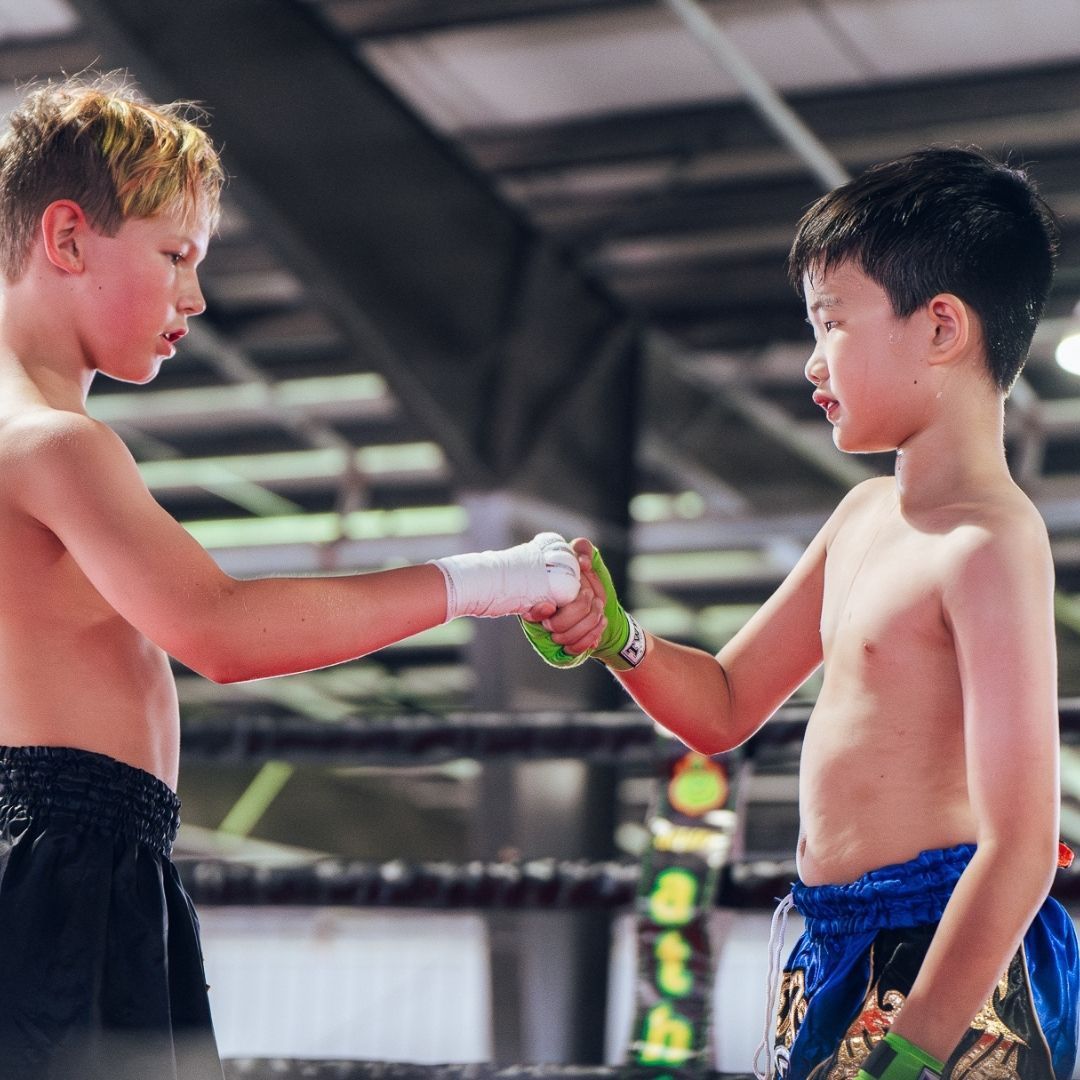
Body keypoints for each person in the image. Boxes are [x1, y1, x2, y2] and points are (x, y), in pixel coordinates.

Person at [0, 74, 579, 1080]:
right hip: (65, 864)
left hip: (68, 851)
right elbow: (222, 632)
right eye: (175, 254)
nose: (194, 297)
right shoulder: (53, 445)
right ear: (67, 237)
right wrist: (493, 578)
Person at [525, 147, 1080, 1080]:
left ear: (941, 327)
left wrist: (914, 1049)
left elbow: (1022, 848)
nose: (814, 363)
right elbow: (723, 704)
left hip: (951, 963)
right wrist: (616, 638)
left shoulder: (989, 543)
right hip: (833, 945)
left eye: (833, 322)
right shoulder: (861, 515)